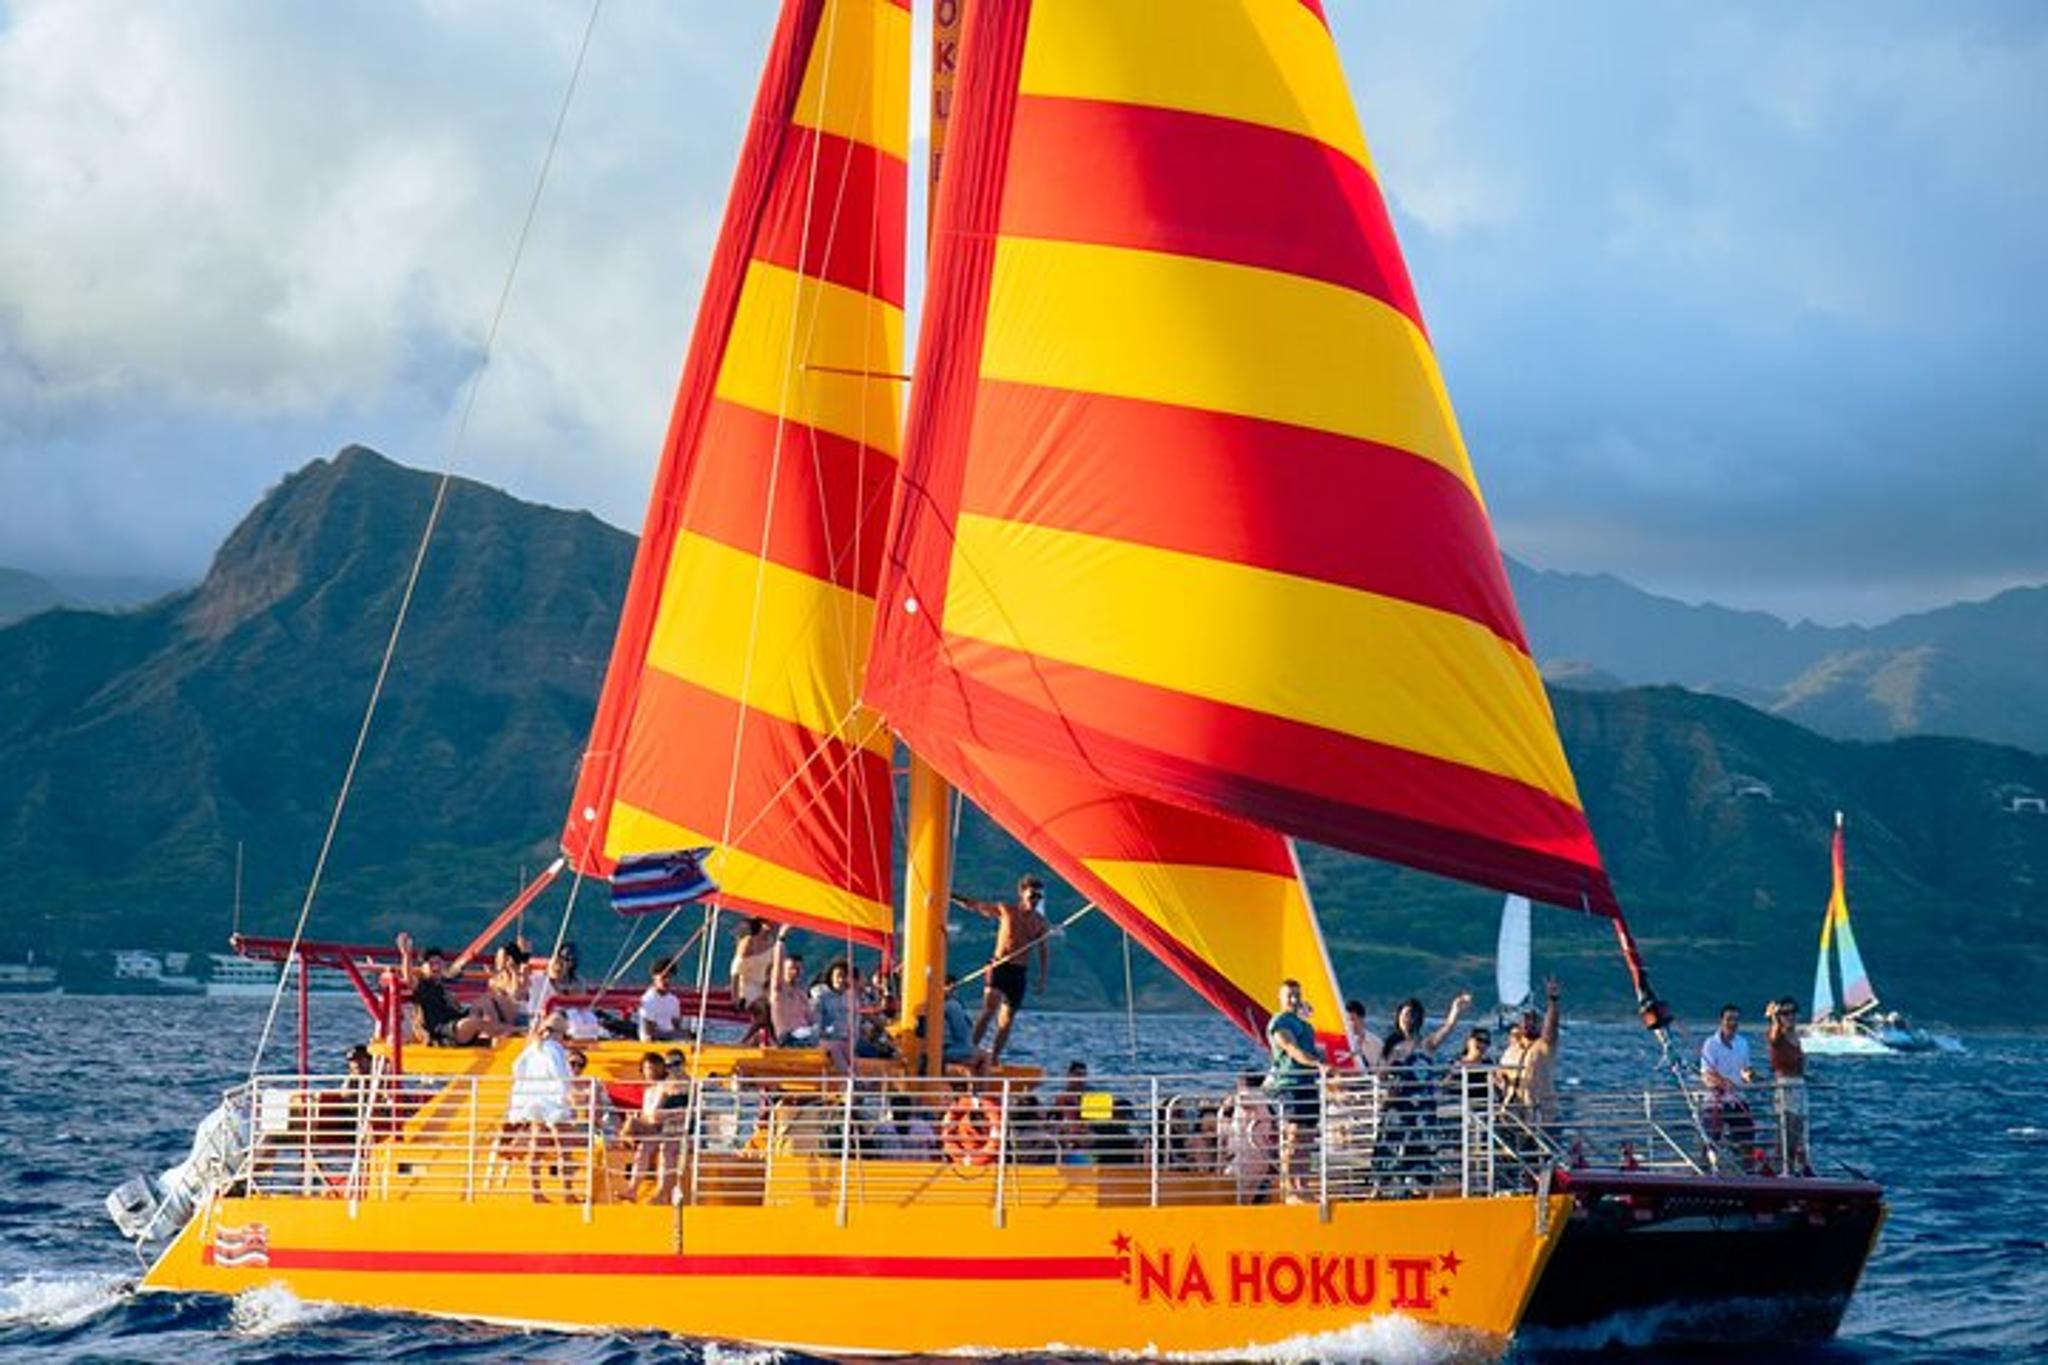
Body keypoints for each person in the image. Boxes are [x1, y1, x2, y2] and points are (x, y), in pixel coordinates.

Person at [953, 874, 1052, 1066]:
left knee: (1006, 1020)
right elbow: (976, 906)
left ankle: (994, 1057)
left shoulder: (1040, 923)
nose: (1035, 900)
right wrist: (953, 897)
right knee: (989, 1010)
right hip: (999, 966)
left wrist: (1042, 979)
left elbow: (1043, 951)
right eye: (1032, 896)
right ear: (1022, 894)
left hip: (1018, 973)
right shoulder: (1007, 910)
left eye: (1039, 897)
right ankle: (969, 1050)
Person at [1378, 992, 1471, 1187]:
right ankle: (1387, 1189)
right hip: (1398, 1109)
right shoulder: (1390, 1047)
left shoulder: (1426, 1045)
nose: (1407, 1020)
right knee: (1393, 1152)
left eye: (1411, 1015)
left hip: (1422, 1109)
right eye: (1404, 1015)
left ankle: (1419, 1189)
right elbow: (1381, 1076)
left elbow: (1447, 1029)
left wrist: (1455, 1010)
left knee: (1421, 1152)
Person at [504, 1012, 578, 1201]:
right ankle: (567, 1193)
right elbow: (561, 1075)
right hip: (553, 1102)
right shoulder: (555, 1049)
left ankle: (536, 1192)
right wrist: (568, 1096)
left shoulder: (533, 1048)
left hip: (533, 1101)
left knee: (535, 1149)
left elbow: (516, 1068)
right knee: (564, 1150)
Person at [396, 933, 519, 1046]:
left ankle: (500, 1034)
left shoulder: (441, 983)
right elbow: (408, 978)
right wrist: (406, 955)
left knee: (486, 1000)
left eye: (439, 963)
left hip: (455, 1020)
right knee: (471, 1023)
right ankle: (515, 1031)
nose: (436, 967)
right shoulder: (422, 985)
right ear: (423, 967)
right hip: (441, 1033)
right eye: (432, 964)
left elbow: (454, 975)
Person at [1265, 978, 1324, 1203]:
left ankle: (1303, 1185)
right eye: (1289, 995)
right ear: (1280, 998)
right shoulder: (1280, 1022)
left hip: (1308, 1083)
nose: (1294, 999)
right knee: (1294, 1136)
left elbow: (1311, 1049)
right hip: (1291, 1084)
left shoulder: (1305, 1024)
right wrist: (1317, 1063)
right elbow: (1292, 1048)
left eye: (1297, 994)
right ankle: (1290, 1188)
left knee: (1308, 1138)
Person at [1495, 977, 1563, 1141]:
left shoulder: (1544, 1046)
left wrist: (1553, 1002)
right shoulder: (1512, 1049)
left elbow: (1551, 1028)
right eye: (1525, 1019)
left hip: (1541, 1116)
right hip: (1512, 1114)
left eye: (1533, 1020)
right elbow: (1500, 1074)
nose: (1528, 1023)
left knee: (1541, 1156)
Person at [1700, 1003, 1757, 1165]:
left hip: (1737, 1098)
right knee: (1711, 1139)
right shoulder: (1710, 1044)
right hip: (1715, 1101)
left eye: (1736, 1020)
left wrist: (1750, 1075)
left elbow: (1745, 1068)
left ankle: (1748, 1171)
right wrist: (1723, 1083)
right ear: (1721, 1021)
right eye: (1729, 1019)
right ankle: (1706, 1171)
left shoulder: (1743, 1043)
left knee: (1747, 1136)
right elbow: (1706, 1074)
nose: (1733, 1023)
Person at [1765, 997, 1811, 1175]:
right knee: (1786, 1130)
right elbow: (1774, 1037)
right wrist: (1774, 1017)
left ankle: (1795, 1166)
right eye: (1785, 1013)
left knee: (1799, 1130)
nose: (1790, 1017)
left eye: (1793, 1012)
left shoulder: (1796, 1037)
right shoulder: (1777, 1034)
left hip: (1799, 1085)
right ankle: (1779, 1167)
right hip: (1785, 1085)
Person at [1218, 1071, 1276, 1204]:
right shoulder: (1264, 1101)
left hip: (1249, 1156)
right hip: (1255, 1155)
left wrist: (1232, 1100)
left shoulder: (1250, 1095)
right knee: (1245, 1195)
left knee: (1232, 1186)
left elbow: (1245, 1100)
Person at [729, 918, 777, 1046]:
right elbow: (735, 969)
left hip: (762, 985)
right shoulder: (748, 941)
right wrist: (735, 996)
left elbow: (769, 967)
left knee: (774, 1013)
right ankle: (744, 1042)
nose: (774, 924)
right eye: (770, 922)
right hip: (745, 985)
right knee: (764, 1011)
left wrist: (768, 983)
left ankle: (767, 1043)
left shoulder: (771, 942)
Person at [768, 930, 815, 1045]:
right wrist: (780, 940)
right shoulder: (779, 989)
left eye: (798, 969)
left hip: (806, 1035)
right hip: (788, 1037)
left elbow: (811, 1020)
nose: (795, 972)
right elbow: (777, 966)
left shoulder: (801, 993)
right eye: (791, 968)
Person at [638, 957, 687, 1042]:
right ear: (654, 977)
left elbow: (677, 1025)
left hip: (670, 1039)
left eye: (670, 977)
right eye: (664, 977)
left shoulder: (674, 1000)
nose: (667, 981)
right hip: (652, 1043)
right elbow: (649, 1032)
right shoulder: (648, 999)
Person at [1344, 999, 1384, 1070]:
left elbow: (1382, 1068)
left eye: (1352, 1019)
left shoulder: (1377, 1043)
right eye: (1346, 1020)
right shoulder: (1341, 1041)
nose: (1349, 1023)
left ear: (1362, 1018)